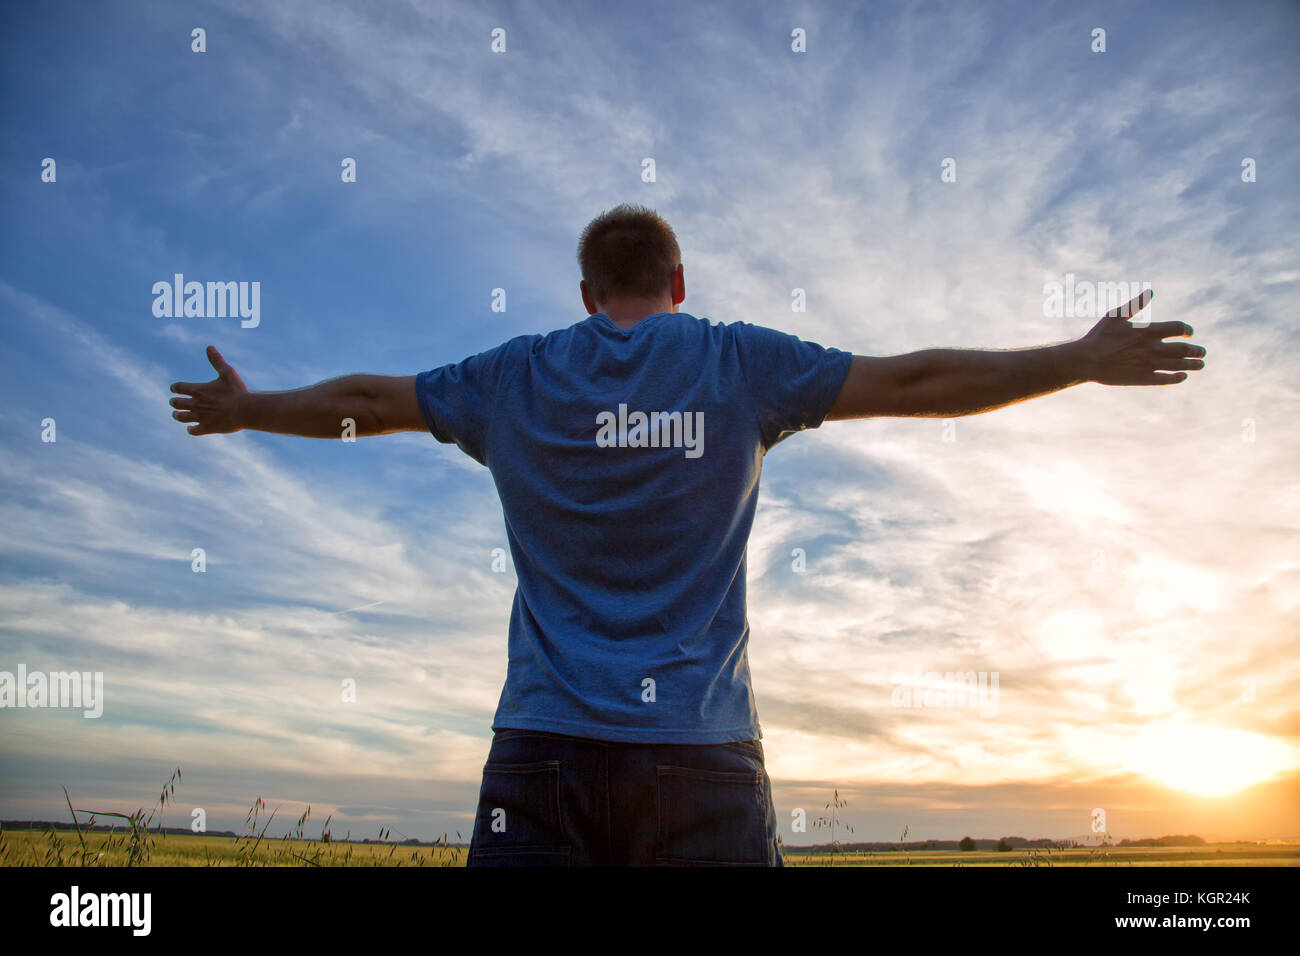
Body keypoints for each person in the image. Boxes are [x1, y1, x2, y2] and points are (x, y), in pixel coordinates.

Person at [169, 203, 1206, 866]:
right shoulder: (736, 363)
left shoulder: (513, 377)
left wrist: (247, 409)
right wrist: (1074, 357)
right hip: (700, 758)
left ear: (585, 293)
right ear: (678, 281)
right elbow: (918, 378)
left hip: (540, 756)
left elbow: (364, 398)